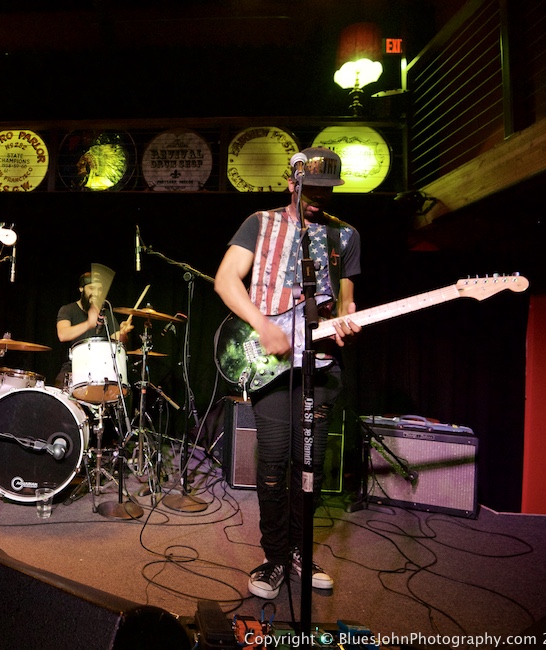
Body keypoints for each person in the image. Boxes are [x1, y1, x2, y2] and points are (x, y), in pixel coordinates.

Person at [214, 147, 361, 600]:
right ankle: (274, 557)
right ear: (291, 182)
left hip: (319, 365)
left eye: (327, 190)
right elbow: (226, 280)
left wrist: (348, 319)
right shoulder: (260, 222)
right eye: (311, 188)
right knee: (274, 464)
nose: (319, 197)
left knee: (309, 467)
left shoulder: (346, 235)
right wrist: (263, 325)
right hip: (271, 364)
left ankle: (300, 551)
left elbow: (346, 297)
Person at [55, 270, 133, 391]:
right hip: (74, 370)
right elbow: (63, 334)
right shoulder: (68, 310)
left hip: (102, 370)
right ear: (81, 288)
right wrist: (88, 324)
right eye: (92, 288)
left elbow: (118, 341)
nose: (96, 293)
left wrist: (123, 333)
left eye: (100, 289)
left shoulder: (106, 313)